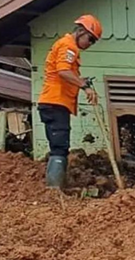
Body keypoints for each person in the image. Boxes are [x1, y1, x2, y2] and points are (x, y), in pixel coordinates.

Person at [37, 14, 102, 188]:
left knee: (59, 145)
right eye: (90, 39)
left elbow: (66, 72)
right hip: (55, 102)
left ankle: (57, 186)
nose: (90, 44)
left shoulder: (67, 47)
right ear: (81, 31)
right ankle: (55, 189)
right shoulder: (69, 46)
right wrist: (84, 86)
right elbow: (63, 72)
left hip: (54, 102)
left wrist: (82, 81)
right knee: (59, 146)